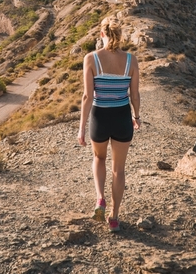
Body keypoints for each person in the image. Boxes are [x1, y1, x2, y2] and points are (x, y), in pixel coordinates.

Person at [77, 17, 141, 233]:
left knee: (99, 158)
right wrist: (137, 116)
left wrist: (82, 127)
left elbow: (87, 96)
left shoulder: (91, 58)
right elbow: (135, 94)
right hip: (122, 117)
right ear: (120, 35)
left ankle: (101, 200)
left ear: (102, 35)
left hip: (99, 118)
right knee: (119, 170)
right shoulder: (131, 60)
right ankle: (114, 218)